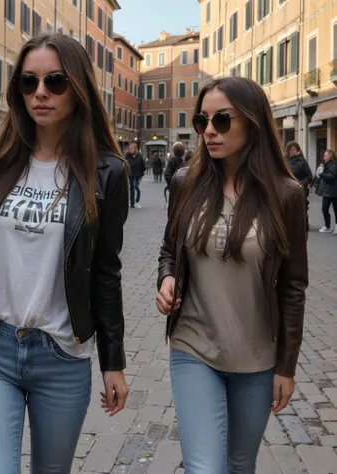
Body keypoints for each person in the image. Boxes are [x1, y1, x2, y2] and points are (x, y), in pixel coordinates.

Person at [0, 33, 129, 474]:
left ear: (77, 87)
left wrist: (113, 363)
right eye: (29, 82)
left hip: (62, 355)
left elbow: (106, 272)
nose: (40, 93)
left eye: (55, 81)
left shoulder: (106, 173)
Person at [157, 77, 308, 473]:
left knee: (240, 464)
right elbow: (169, 249)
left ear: (252, 122)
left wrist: (286, 367)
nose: (209, 131)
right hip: (194, 348)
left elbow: (293, 287)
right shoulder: (184, 183)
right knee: (205, 467)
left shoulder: (287, 195)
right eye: (202, 121)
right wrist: (167, 278)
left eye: (221, 120)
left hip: (258, 358)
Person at [286, 141, 312, 232]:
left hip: (300, 188)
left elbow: (309, 176)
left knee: (302, 207)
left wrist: (301, 183)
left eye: (293, 149)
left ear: (297, 150)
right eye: (290, 149)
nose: (291, 151)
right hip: (288, 188)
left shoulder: (302, 162)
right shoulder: (286, 161)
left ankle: (305, 225)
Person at [316, 149, 337, 234]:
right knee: (324, 209)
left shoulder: (334, 165)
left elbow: (330, 177)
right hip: (327, 192)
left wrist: (321, 173)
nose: (324, 158)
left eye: (325, 156)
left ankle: (336, 226)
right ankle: (327, 226)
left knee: (336, 210)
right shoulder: (327, 165)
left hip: (334, 192)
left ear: (330, 156)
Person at [126, 142, 145, 208]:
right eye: (129, 148)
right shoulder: (127, 156)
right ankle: (132, 202)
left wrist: (141, 174)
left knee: (135, 187)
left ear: (135, 149)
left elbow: (143, 166)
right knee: (132, 187)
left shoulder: (139, 157)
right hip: (130, 175)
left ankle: (135, 200)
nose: (130, 150)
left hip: (137, 175)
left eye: (131, 148)